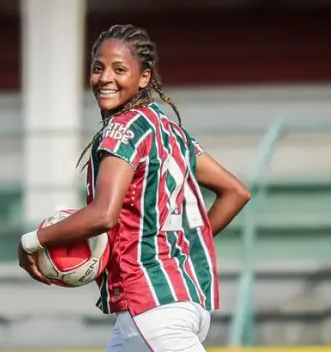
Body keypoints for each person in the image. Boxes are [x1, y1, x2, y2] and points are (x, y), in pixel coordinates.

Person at [18, 24, 250, 352]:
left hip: (152, 307)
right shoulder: (171, 132)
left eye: (120, 69)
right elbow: (236, 192)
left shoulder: (122, 130)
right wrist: (175, 250)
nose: (105, 77)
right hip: (184, 301)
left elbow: (103, 215)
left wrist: (32, 242)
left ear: (144, 77)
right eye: (98, 68)